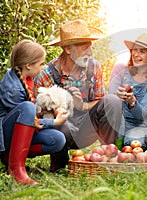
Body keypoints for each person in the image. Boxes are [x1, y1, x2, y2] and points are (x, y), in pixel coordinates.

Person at [33, 20, 122, 172]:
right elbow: (36, 115)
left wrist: (82, 105)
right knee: (62, 125)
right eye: (84, 48)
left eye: (90, 47)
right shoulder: (46, 75)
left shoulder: (93, 67)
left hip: (86, 126)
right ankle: (59, 164)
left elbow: (100, 101)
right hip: (61, 128)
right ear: (68, 49)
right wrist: (58, 110)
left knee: (112, 101)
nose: (90, 52)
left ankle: (108, 158)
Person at [0, 40, 67, 185]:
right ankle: (16, 169)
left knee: (57, 140)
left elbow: (28, 120)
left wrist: (47, 110)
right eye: (40, 64)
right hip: (1, 132)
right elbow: (30, 118)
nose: (43, 67)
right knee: (27, 107)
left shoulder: (26, 79)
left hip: (17, 131)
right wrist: (54, 122)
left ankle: (10, 157)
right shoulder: (13, 88)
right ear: (28, 65)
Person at [108, 33, 147, 150]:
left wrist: (132, 101)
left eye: (142, 51)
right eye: (135, 50)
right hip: (118, 121)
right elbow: (109, 101)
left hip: (137, 124)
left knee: (132, 142)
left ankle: (120, 146)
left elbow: (142, 114)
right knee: (115, 109)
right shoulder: (120, 69)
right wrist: (116, 96)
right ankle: (115, 145)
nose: (136, 54)